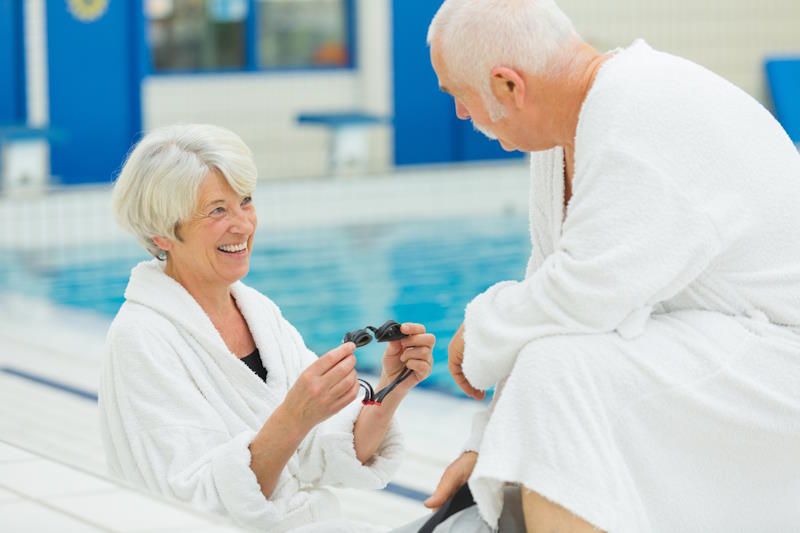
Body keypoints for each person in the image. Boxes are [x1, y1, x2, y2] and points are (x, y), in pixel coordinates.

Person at [423, 0, 800, 532]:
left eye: (459, 95)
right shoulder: (574, 128)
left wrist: (481, 329)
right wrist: (488, 440)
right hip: (729, 344)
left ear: (509, 85)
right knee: (555, 368)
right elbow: (551, 307)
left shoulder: (639, 116)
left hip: (781, 364)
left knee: (560, 375)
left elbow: (586, 297)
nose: (462, 114)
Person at [98, 124, 436, 532]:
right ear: (162, 233)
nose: (243, 225)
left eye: (245, 201)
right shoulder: (141, 338)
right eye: (217, 210)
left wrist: (390, 389)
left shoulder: (257, 312)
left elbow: (324, 451)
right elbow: (192, 506)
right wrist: (294, 417)